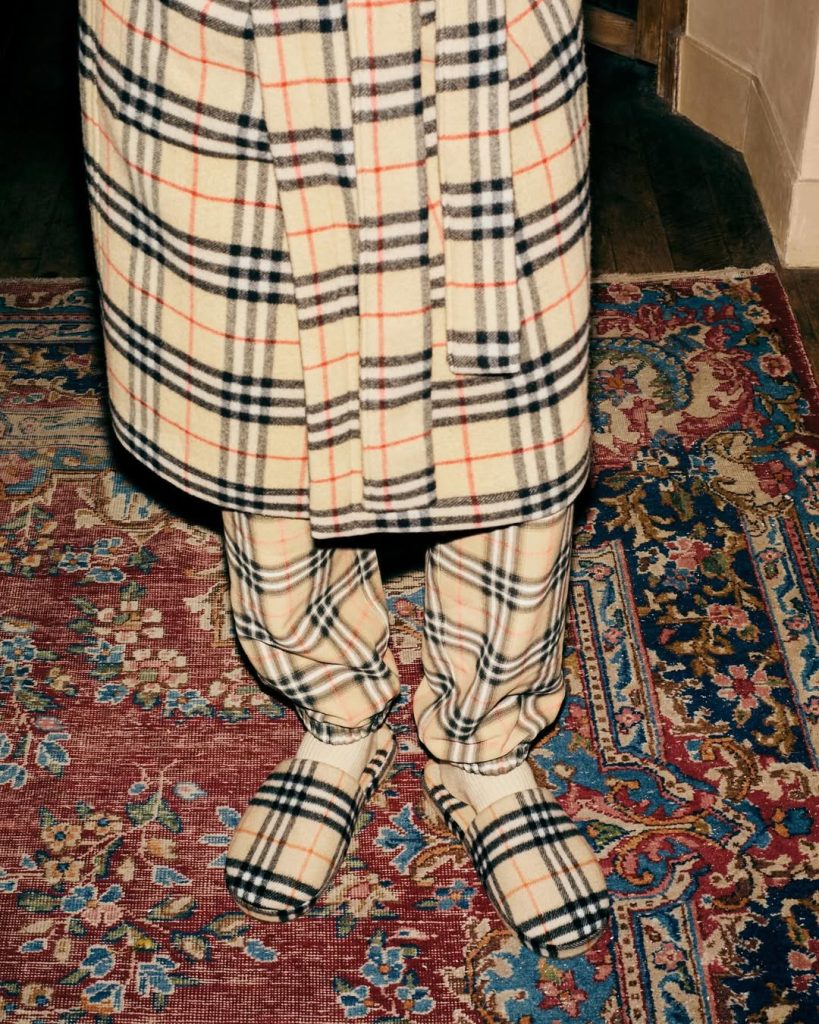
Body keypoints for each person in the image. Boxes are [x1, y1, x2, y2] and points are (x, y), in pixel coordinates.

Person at [78, 0, 609, 958]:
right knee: (268, 391)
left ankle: (483, 747)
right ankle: (337, 713)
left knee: (504, 409)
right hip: (223, 34)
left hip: (477, 27)